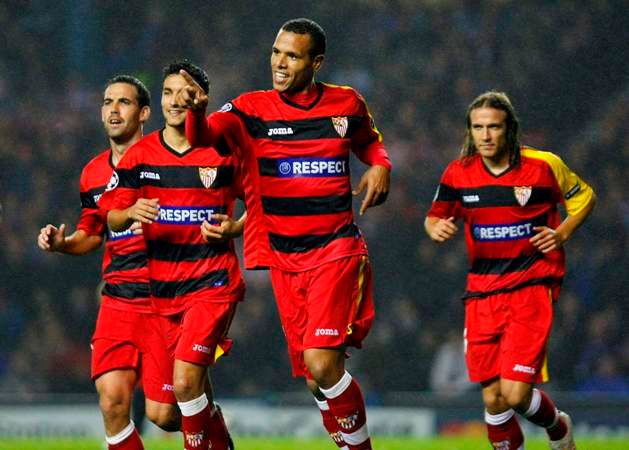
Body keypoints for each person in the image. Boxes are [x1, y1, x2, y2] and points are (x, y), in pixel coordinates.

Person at [178, 18, 391, 450]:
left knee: (322, 362)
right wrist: (196, 111)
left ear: (316, 62)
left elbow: (370, 141)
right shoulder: (248, 110)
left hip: (335, 250)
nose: (279, 62)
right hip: (283, 261)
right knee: (316, 379)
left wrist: (381, 165)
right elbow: (202, 139)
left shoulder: (346, 103)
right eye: (276, 52)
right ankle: (350, 440)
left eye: (292, 55)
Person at [424, 91, 596, 450]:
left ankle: (557, 426)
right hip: (481, 294)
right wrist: (434, 226)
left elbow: (585, 197)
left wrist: (561, 233)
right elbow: (435, 214)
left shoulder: (543, 165)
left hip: (530, 289)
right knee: (492, 400)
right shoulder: (459, 173)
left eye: (493, 127)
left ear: (510, 129)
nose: (485, 136)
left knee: (516, 394)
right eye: (478, 128)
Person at [101, 60, 244, 450]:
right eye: (167, 93)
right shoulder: (140, 155)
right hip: (163, 294)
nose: (175, 101)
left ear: (201, 98)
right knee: (163, 414)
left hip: (213, 283)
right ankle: (218, 434)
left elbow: (266, 204)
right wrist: (129, 212)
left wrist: (235, 227)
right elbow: (112, 215)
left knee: (184, 382)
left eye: (184, 92)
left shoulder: (222, 152)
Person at [36, 75, 180, 450]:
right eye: (107, 102)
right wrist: (62, 244)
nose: (113, 110)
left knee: (164, 416)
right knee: (113, 400)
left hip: (165, 296)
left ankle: (206, 415)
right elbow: (92, 234)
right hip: (118, 299)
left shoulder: (167, 158)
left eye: (124, 102)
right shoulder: (92, 173)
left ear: (145, 112)